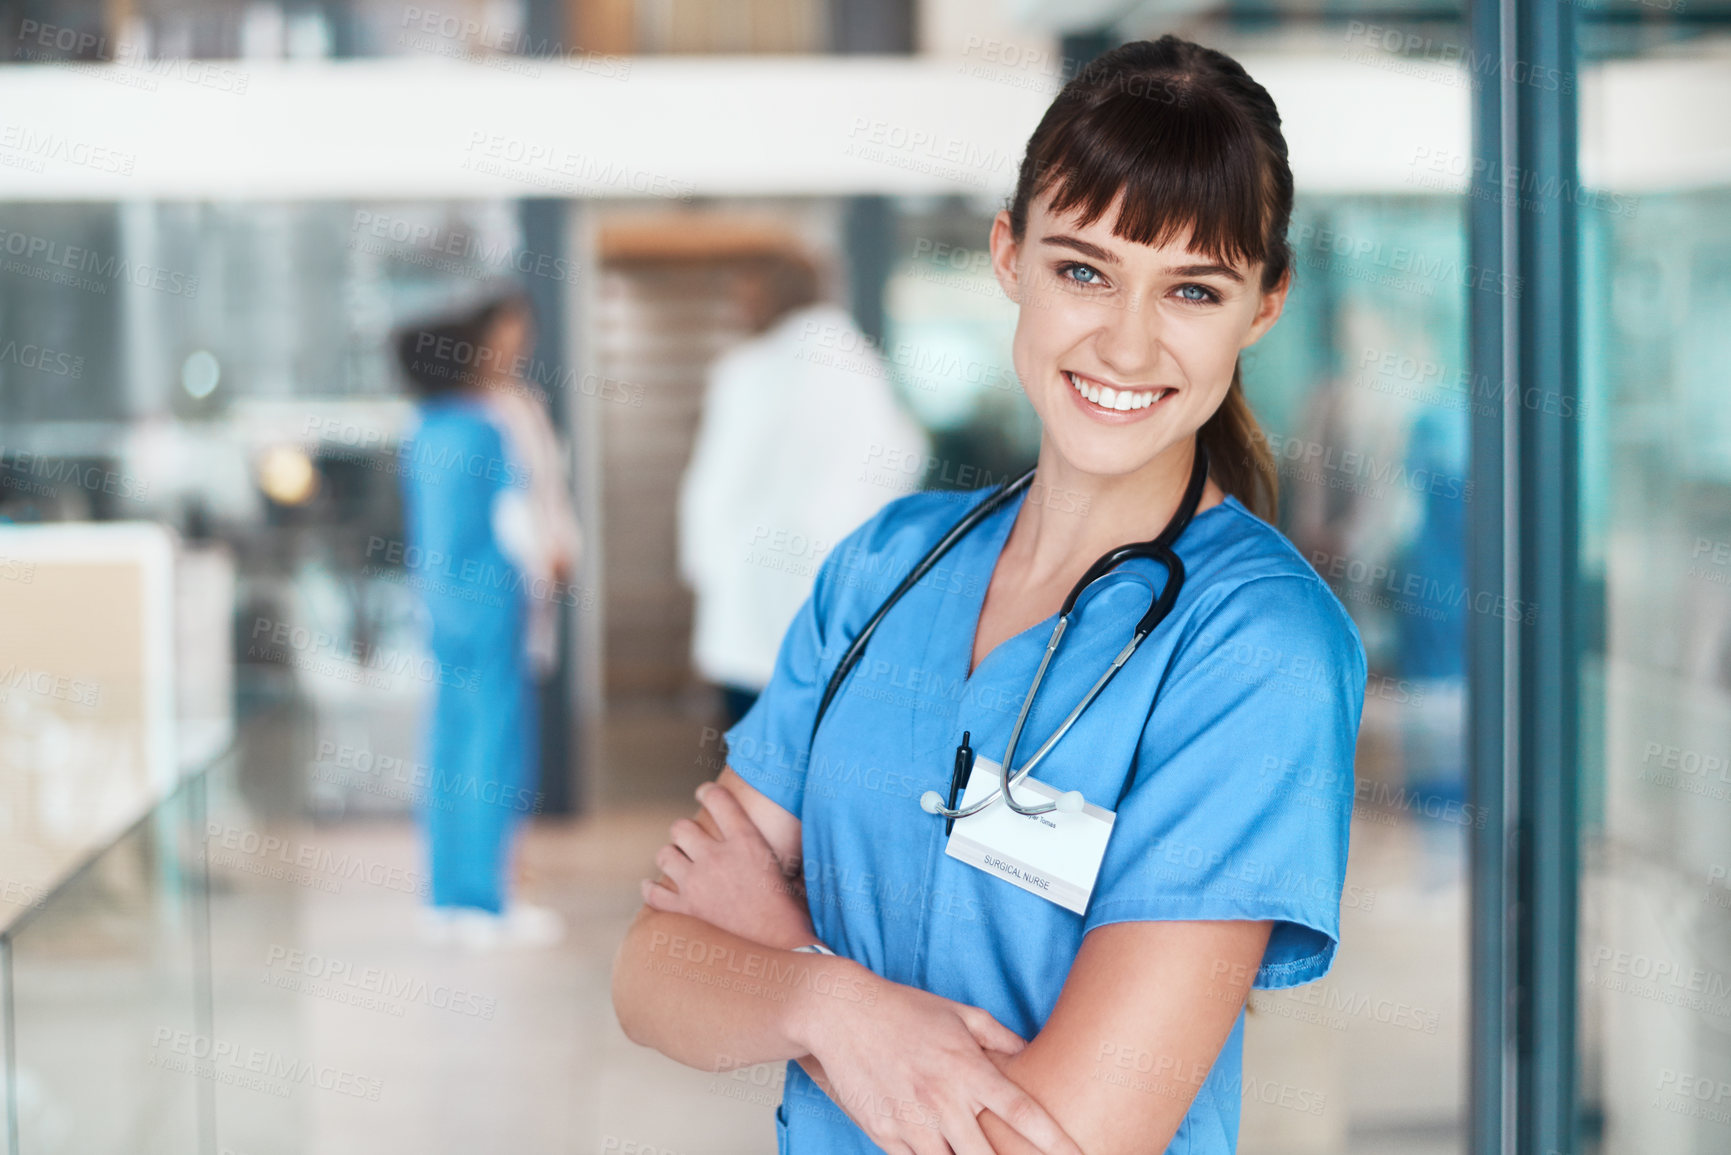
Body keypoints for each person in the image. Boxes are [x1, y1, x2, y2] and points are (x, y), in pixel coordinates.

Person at [612, 34, 1368, 1155]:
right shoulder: (886, 567)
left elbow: (1070, 1140)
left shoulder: (1257, 651)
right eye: (1083, 269)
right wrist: (832, 1003)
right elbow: (653, 974)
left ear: (1264, 306)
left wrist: (781, 960)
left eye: (1193, 289)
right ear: (1009, 256)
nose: (1125, 340)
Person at [677, 251, 930, 729]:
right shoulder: (861, 364)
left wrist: (705, 574)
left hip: (753, 588)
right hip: (845, 589)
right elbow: (903, 459)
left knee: (754, 761)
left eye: (745, 297)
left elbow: (715, 485)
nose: (740, 310)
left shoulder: (749, 370)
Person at [395, 290, 576, 950]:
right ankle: (487, 899)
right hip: (493, 603)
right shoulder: (486, 426)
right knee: (494, 746)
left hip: (442, 607)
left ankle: (446, 894)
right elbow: (516, 516)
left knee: (448, 743)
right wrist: (553, 562)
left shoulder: (425, 429)